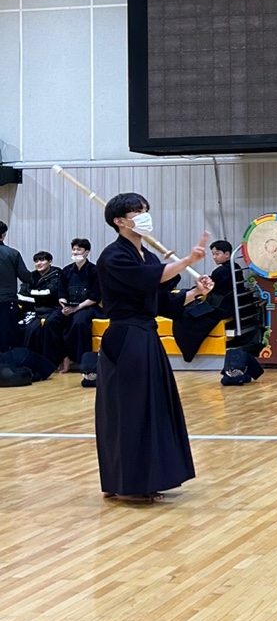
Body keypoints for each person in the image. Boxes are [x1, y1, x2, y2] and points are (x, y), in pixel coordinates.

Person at [95, 193, 211, 504]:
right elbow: (151, 278)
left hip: (146, 335)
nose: (144, 215)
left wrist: (195, 292)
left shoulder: (146, 256)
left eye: (145, 210)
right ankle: (125, 482)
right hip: (125, 337)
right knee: (129, 411)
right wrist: (187, 261)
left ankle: (142, 479)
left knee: (150, 409)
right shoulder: (113, 256)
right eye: (137, 212)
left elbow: (159, 301)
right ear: (120, 221)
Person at [38, 238, 100, 372]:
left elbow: (95, 297)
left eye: (79, 249)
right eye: (74, 249)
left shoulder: (94, 271)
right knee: (51, 322)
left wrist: (76, 308)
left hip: (86, 306)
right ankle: (55, 360)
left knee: (79, 323)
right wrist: (64, 306)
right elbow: (61, 293)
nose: (75, 252)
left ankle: (75, 360)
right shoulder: (66, 271)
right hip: (67, 306)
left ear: (86, 252)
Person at [0, 222, 32, 353]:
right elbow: (26, 277)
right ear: (3, 235)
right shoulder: (12, 254)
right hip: (6, 301)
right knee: (6, 335)